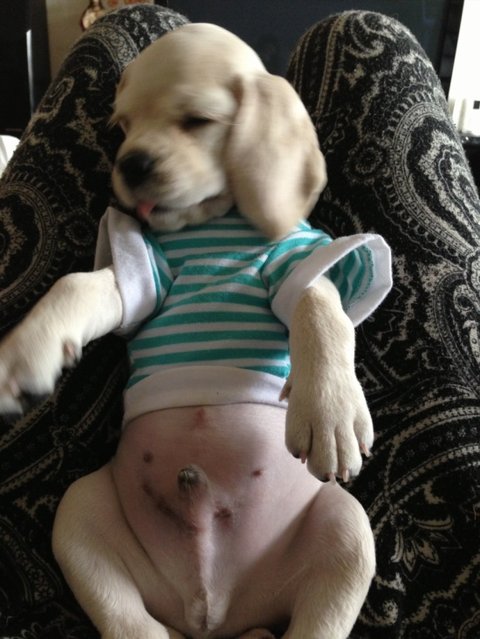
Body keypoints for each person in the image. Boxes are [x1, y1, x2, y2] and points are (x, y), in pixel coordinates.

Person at [0, 5, 478, 638]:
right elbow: (115, 293)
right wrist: (54, 318)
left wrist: (327, 349)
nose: (136, 151)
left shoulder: (284, 245)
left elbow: (316, 295)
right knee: (81, 513)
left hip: (282, 552)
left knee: (347, 535)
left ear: (262, 131)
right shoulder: (153, 247)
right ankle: (132, 628)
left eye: (194, 120)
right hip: (144, 547)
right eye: (127, 126)